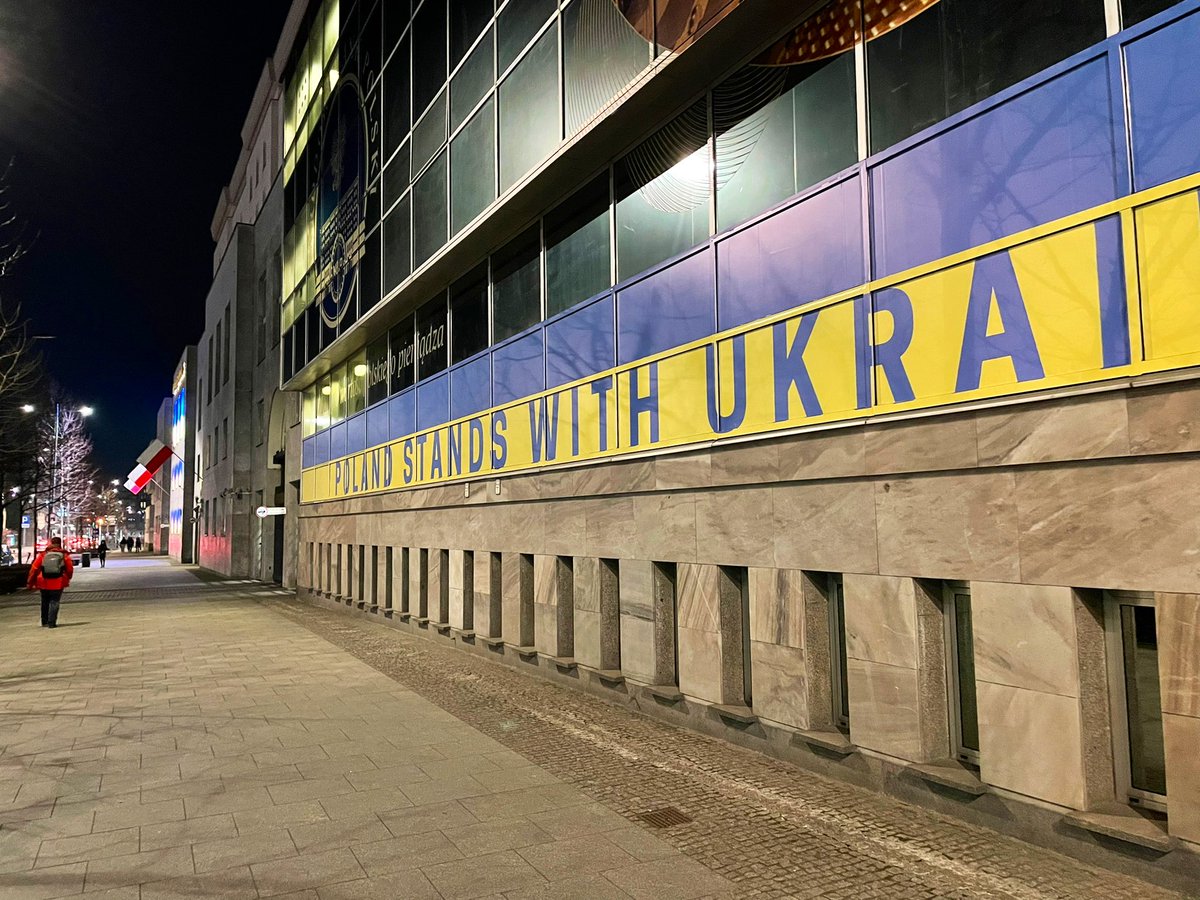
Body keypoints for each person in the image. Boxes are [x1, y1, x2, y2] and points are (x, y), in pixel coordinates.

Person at [27, 537, 74, 628]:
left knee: (44, 601)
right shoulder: (64, 555)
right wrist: (68, 577)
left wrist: (30, 582)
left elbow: (34, 569)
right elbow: (69, 569)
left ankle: (44, 621)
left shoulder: (43, 555)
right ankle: (52, 622)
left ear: (51, 543)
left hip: (43, 581)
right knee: (54, 601)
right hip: (58, 581)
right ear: (60, 544)